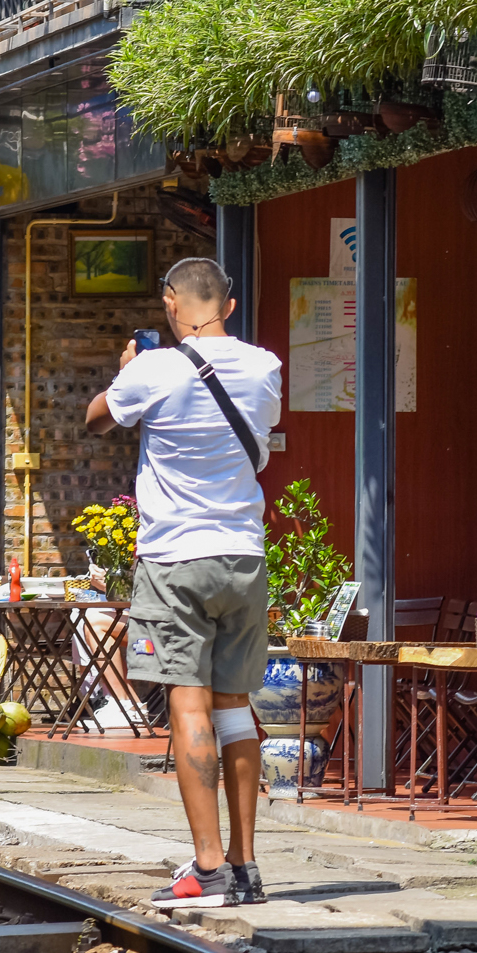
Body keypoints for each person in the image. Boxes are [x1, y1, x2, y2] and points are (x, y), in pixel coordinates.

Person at [85, 257, 283, 909]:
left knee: (189, 703)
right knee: (234, 707)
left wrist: (125, 370)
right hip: (244, 556)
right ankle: (246, 866)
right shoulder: (264, 367)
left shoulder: (153, 368)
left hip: (175, 559)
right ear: (227, 305)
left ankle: (207, 867)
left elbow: (98, 418)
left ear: (172, 302)